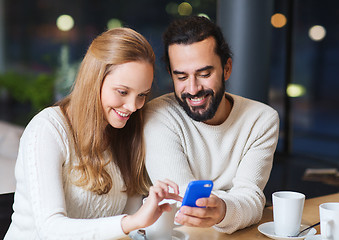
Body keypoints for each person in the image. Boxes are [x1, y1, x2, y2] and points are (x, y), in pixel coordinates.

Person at [5, 27, 182, 240]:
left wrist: (155, 211)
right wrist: (132, 221)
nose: (133, 106)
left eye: (142, 95)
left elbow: (130, 228)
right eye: (123, 92)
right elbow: (50, 229)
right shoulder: (47, 130)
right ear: (94, 80)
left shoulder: (126, 133)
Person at [143, 16, 280, 234]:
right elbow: (182, 203)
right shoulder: (159, 115)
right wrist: (236, 204)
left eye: (204, 74)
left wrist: (224, 209)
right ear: (171, 75)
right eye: (181, 77)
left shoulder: (261, 119)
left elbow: (253, 199)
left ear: (227, 69)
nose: (193, 88)